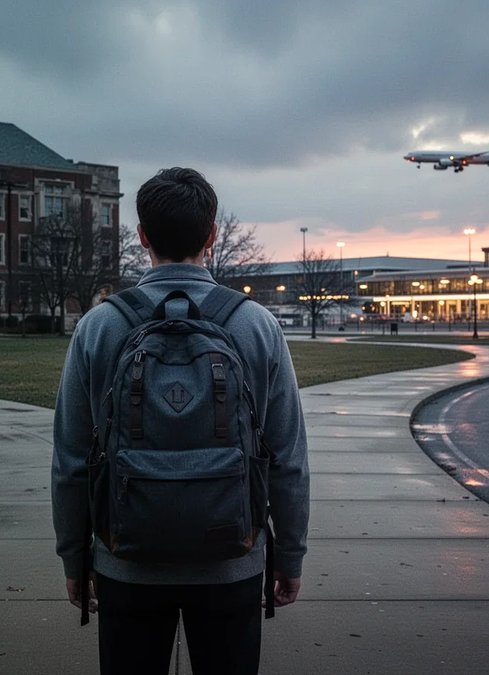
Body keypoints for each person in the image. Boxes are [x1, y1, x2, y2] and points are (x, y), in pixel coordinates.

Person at [52, 168, 309, 675]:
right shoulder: (255, 324)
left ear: (142, 236)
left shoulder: (100, 326)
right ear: (212, 234)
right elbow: (288, 457)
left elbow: (71, 461)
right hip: (232, 561)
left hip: (126, 561)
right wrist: (290, 554)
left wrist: (74, 556)